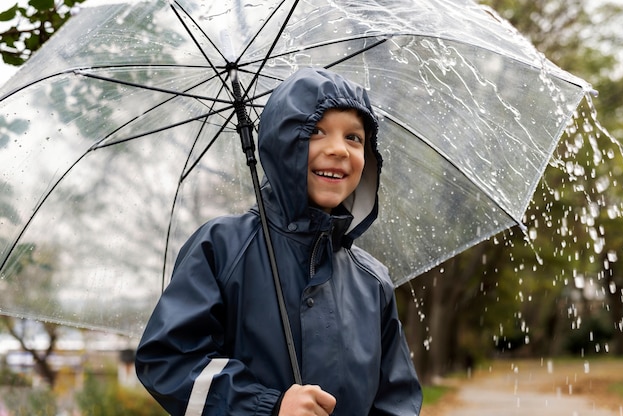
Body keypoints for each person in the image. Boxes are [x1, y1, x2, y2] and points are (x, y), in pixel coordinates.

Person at [135, 67, 423, 415]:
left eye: (354, 138)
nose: (339, 149)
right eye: (316, 131)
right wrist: (267, 407)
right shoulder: (222, 248)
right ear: (281, 144)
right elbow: (168, 360)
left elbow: (397, 398)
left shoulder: (373, 281)